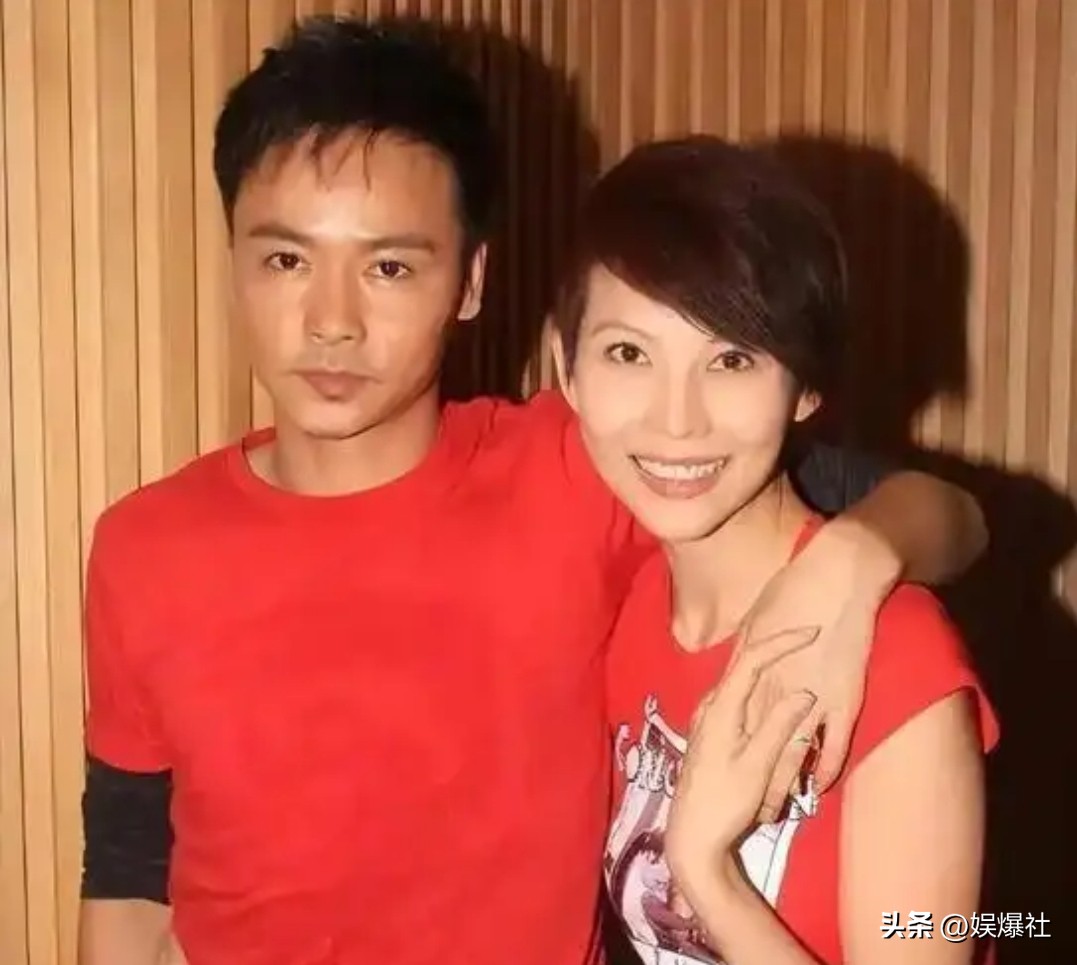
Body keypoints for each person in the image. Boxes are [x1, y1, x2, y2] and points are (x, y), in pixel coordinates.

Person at [78, 18, 987, 965]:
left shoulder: (582, 465)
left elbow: (945, 512)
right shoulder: (145, 547)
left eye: (389, 266)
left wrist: (852, 562)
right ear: (232, 260)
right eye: (286, 260)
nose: (332, 321)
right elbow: (129, 871)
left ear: (469, 280)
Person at [549, 136, 998, 964]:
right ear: (564, 365)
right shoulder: (628, 610)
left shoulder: (892, 650)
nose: (676, 419)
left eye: (730, 358)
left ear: (805, 385)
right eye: (628, 353)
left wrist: (705, 871)